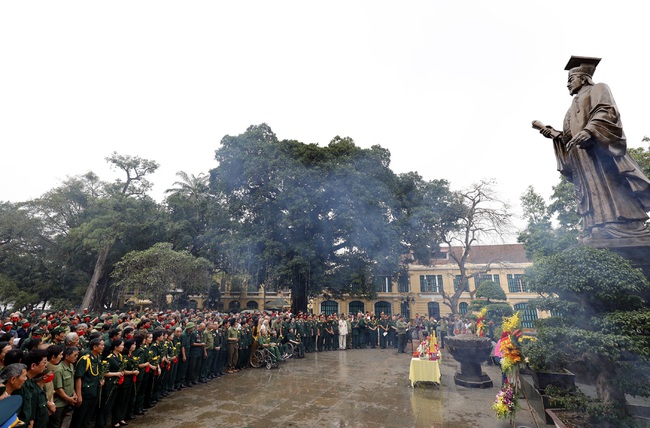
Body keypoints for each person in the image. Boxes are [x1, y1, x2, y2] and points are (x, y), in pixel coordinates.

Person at [537, 56, 650, 242]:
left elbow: (606, 111)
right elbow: (570, 134)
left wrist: (590, 130)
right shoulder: (572, 105)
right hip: (581, 156)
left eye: (570, 79)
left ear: (583, 78)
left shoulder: (598, 88)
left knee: (608, 183)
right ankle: (596, 224)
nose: (567, 85)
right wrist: (555, 135)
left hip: (599, 150)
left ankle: (620, 224)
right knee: (591, 188)